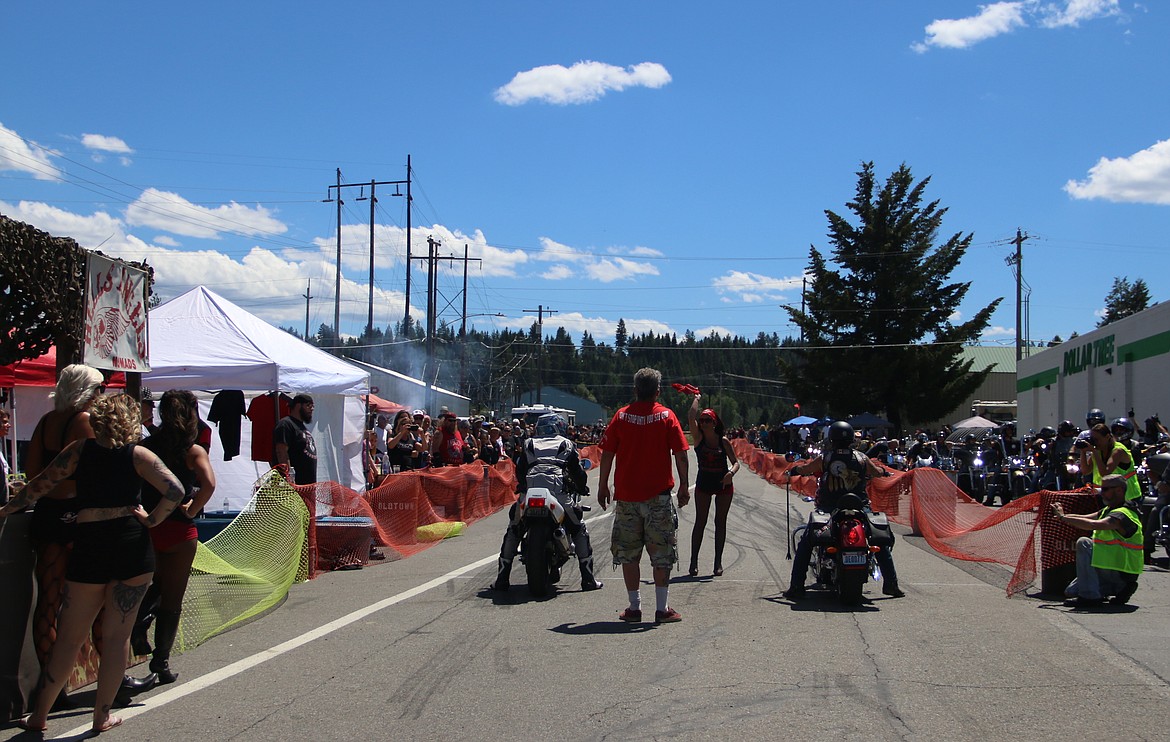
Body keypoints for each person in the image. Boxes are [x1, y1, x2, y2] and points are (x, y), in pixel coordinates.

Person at [0, 392, 187, 735]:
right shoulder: (139, 454)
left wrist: (6, 510)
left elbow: (40, 485)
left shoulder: (79, 451)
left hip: (91, 545)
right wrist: (152, 519)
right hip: (131, 544)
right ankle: (101, 717)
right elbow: (175, 489)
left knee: (69, 638)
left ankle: (39, 715)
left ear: (98, 420)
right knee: (117, 638)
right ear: (131, 421)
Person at [134, 390, 217, 685]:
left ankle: (139, 630)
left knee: (146, 588)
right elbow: (209, 484)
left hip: (149, 526)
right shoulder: (193, 450)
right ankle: (161, 661)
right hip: (180, 529)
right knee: (173, 598)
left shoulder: (145, 446)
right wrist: (193, 509)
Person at [597, 368, 690, 624]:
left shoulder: (621, 416)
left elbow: (607, 454)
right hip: (658, 498)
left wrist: (603, 485)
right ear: (657, 391)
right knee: (661, 552)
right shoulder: (667, 416)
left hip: (627, 497)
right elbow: (681, 454)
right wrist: (684, 485)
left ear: (635, 390)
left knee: (629, 552)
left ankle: (634, 607)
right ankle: (662, 609)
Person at [784, 420, 903, 599]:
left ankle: (796, 586)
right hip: (860, 507)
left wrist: (795, 469)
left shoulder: (826, 458)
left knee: (807, 542)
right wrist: (883, 471)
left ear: (831, 438)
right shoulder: (862, 458)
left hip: (829, 508)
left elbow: (806, 469)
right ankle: (891, 584)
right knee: (880, 542)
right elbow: (876, 472)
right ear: (851, 440)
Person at [490, 413, 602, 592]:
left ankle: (502, 578)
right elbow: (577, 471)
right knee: (578, 527)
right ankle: (588, 579)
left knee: (514, 528)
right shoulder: (566, 443)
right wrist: (582, 487)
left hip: (531, 489)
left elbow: (520, 471)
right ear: (559, 427)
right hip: (557, 490)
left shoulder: (529, 443)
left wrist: (523, 487)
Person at [1051, 474, 1143, 606]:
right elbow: (1087, 517)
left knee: (1084, 542)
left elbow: (1093, 524)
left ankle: (1091, 598)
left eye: (1105, 489)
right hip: (1107, 569)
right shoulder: (1109, 510)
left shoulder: (1123, 514)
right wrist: (1063, 515)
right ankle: (1119, 590)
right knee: (1071, 591)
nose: (1102, 493)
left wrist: (1063, 518)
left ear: (1119, 490)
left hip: (1119, 572)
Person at [687, 396, 739, 577]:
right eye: (702, 420)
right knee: (700, 521)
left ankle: (718, 562)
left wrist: (730, 474)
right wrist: (696, 398)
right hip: (704, 482)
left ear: (714, 422)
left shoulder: (723, 441)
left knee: (720, 522)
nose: (703, 423)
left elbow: (736, 463)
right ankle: (693, 562)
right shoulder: (699, 438)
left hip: (723, 482)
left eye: (707, 420)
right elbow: (690, 417)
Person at [1077, 423, 1140, 502]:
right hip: (1106, 497)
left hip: (1127, 497)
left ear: (1107, 437)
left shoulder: (1118, 451)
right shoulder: (1098, 451)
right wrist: (1083, 451)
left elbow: (1105, 474)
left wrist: (1094, 452)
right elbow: (1085, 471)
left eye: (1097, 440)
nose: (1095, 443)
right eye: (1093, 439)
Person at [273, 393, 317, 485]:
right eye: (308, 405)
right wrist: (288, 477)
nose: (312, 409)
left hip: (308, 484)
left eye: (313, 406)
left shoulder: (301, 426)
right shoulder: (286, 424)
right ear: (298, 406)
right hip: (295, 484)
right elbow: (281, 451)